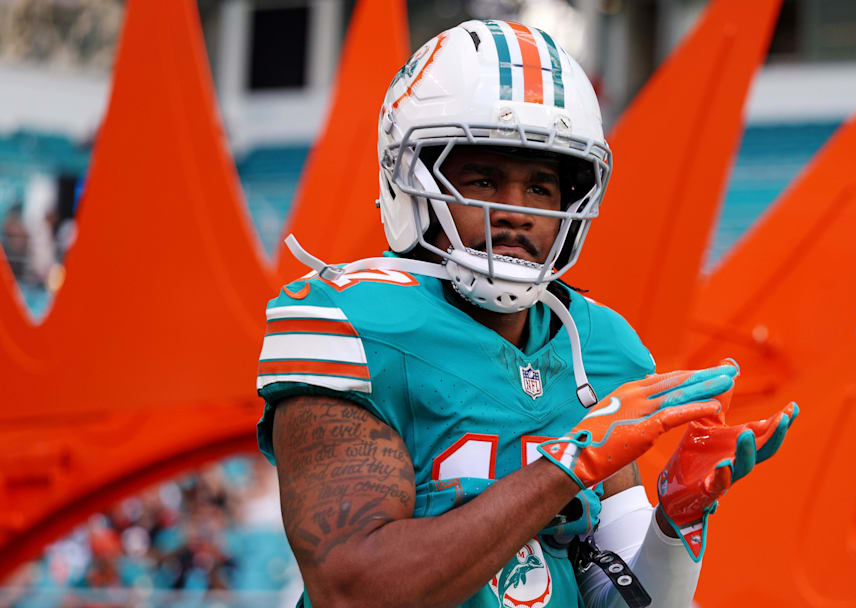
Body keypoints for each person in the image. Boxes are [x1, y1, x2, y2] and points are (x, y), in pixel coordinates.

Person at [255, 20, 796, 608]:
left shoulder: (598, 344)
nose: (515, 211)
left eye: (540, 187)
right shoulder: (348, 322)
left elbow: (622, 600)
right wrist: (568, 465)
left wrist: (675, 522)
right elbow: (353, 590)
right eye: (484, 180)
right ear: (410, 178)